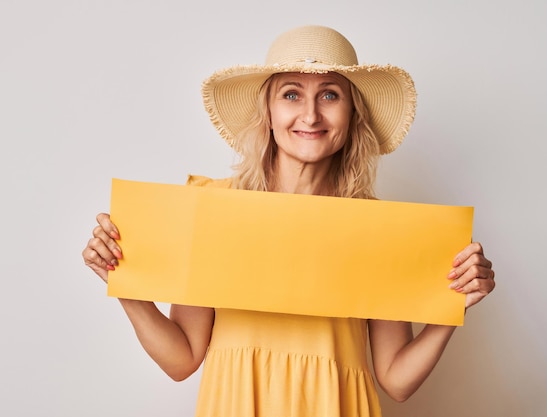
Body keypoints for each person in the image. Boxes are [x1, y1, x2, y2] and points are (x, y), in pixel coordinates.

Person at [82, 25, 495, 417]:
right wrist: (125, 284)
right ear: (269, 110)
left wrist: (452, 305)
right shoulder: (214, 208)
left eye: (330, 95)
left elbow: (397, 380)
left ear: (353, 113)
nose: (311, 115)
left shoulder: (377, 228)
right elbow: (181, 358)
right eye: (292, 94)